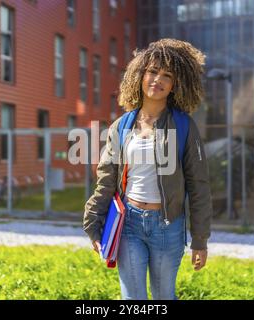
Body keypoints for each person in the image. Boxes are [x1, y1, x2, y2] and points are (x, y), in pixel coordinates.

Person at [83, 38, 213, 300]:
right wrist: (93, 221)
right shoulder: (122, 125)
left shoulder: (184, 126)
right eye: (153, 71)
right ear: (140, 75)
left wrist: (200, 240)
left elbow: (199, 185)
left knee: (165, 297)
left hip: (168, 226)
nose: (158, 79)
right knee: (133, 300)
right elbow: (107, 179)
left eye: (167, 75)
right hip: (129, 224)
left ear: (176, 84)